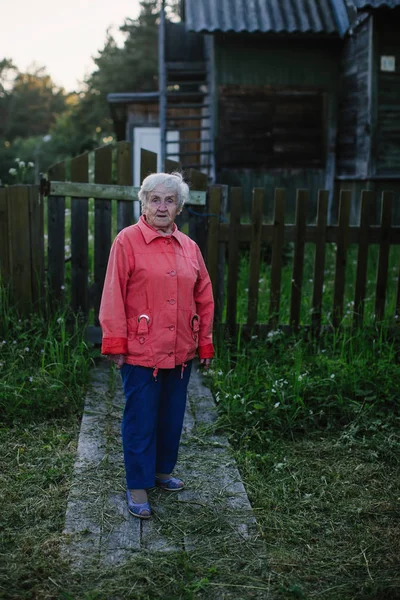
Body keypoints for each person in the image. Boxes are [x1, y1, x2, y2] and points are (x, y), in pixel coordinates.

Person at [99, 172, 214, 519]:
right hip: (141, 351)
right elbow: (113, 294)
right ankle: (137, 485)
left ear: (179, 207)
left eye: (170, 200)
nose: (162, 207)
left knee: (171, 417)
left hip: (180, 350)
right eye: (155, 199)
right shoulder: (127, 241)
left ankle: (162, 472)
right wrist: (116, 343)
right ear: (144, 203)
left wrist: (204, 344)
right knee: (140, 419)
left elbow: (204, 297)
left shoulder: (189, 247)